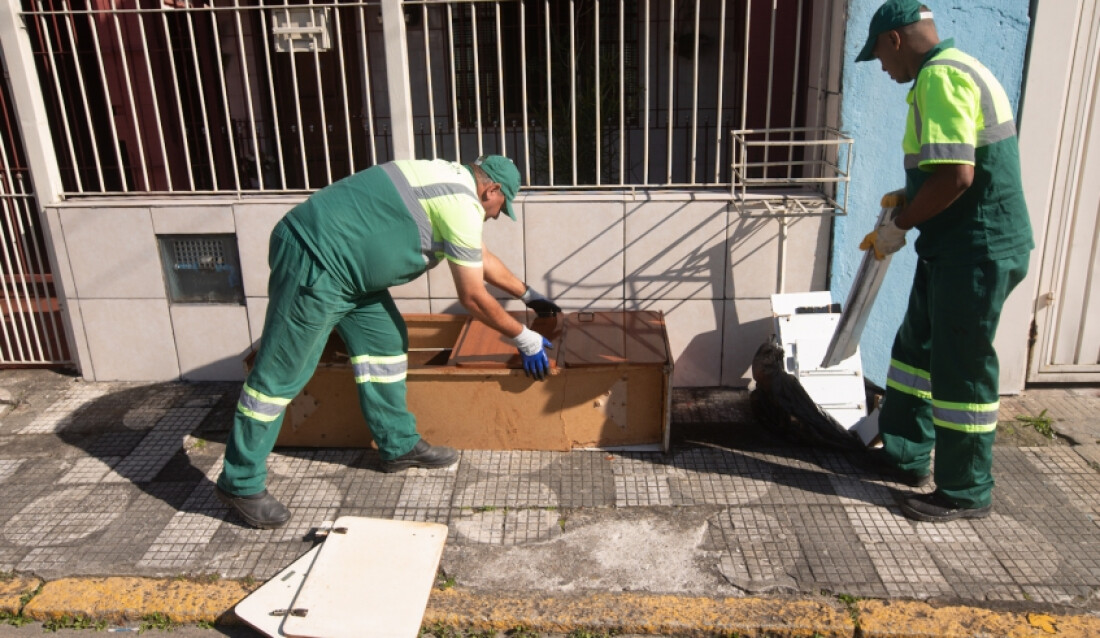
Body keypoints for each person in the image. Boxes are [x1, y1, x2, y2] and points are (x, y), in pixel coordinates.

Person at [215, 155, 562, 529]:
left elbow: (481, 257)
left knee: (385, 344)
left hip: (352, 276)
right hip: (316, 260)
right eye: (499, 206)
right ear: (490, 189)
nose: (495, 215)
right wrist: (523, 337)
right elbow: (474, 296)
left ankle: (397, 445)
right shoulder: (462, 203)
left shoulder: (451, 182)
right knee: (278, 378)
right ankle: (241, 482)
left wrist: (529, 295)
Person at [855, 0, 1033, 522]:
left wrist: (902, 224)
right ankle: (906, 453)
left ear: (895, 39)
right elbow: (947, 168)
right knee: (916, 351)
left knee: (961, 369)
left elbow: (957, 175)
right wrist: (908, 199)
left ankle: (964, 490)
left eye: (881, 58)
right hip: (956, 246)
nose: (885, 70)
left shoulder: (939, 79)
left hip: (976, 250)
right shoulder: (963, 68)